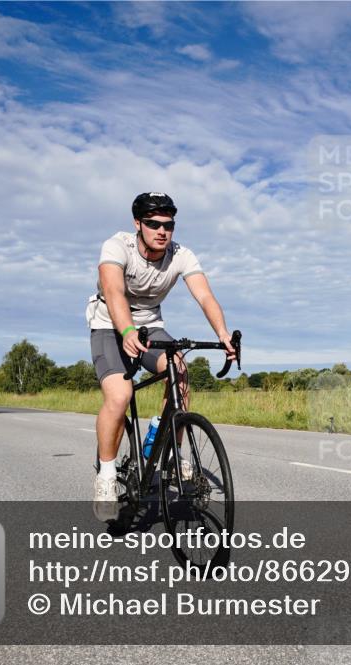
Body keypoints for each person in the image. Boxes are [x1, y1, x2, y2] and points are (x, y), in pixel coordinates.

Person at [86, 192, 235, 520]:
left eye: (168, 225)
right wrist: (125, 332)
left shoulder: (181, 255)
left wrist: (222, 334)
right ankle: (107, 477)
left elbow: (205, 295)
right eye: (153, 224)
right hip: (110, 325)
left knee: (179, 371)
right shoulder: (117, 246)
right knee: (121, 394)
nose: (162, 231)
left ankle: (167, 447)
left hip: (150, 326)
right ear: (138, 224)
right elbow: (113, 292)